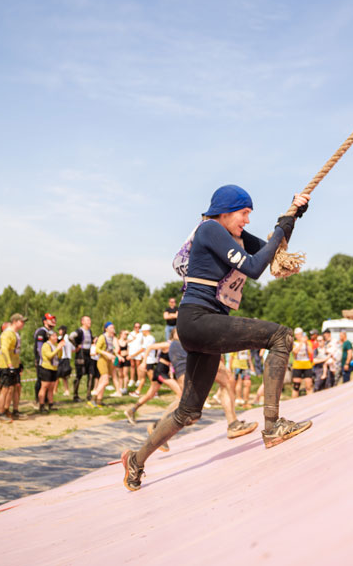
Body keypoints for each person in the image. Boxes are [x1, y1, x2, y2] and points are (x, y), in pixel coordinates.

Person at [121, 185, 312, 491]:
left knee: (188, 411)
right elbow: (254, 268)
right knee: (281, 336)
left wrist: (292, 216)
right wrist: (281, 226)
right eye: (244, 213)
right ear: (224, 212)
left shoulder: (234, 236)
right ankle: (273, 425)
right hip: (199, 320)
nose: (247, 220)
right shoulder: (210, 229)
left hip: (201, 325)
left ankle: (136, 459)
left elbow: (270, 249)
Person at [0, 314, 26, 423]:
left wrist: (19, 363)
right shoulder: (7, 333)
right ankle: (1, 413)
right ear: (15, 321)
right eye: (21, 321)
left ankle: (12, 411)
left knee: (13, 388)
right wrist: (9, 364)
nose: (23, 324)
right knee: (5, 389)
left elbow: (15, 350)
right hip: (6, 365)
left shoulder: (15, 333)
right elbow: (4, 349)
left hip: (15, 364)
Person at [89, 322, 119, 406]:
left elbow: (112, 350)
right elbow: (97, 349)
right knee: (105, 380)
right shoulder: (102, 337)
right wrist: (107, 354)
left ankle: (99, 400)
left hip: (108, 361)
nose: (113, 329)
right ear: (106, 329)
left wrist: (115, 356)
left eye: (113, 327)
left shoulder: (112, 338)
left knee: (102, 381)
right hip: (102, 360)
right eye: (111, 327)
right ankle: (93, 398)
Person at [33, 313, 57, 405]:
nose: (53, 321)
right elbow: (39, 348)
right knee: (41, 381)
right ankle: (38, 400)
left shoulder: (51, 332)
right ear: (45, 321)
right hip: (42, 361)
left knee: (49, 382)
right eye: (51, 319)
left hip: (50, 361)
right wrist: (42, 359)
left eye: (54, 319)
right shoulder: (41, 332)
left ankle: (47, 400)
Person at [38, 329, 64, 413]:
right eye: (54, 336)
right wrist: (58, 348)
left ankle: (51, 404)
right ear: (49, 337)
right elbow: (49, 356)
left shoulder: (55, 345)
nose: (56, 337)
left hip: (54, 368)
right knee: (44, 386)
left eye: (56, 336)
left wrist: (60, 349)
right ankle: (41, 405)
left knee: (51, 387)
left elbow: (59, 356)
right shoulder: (46, 345)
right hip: (46, 368)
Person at [69, 316, 94, 402]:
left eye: (90, 320)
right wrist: (76, 345)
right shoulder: (79, 331)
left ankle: (89, 394)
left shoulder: (89, 331)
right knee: (79, 375)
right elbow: (70, 337)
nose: (89, 322)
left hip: (89, 354)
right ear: (82, 322)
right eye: (88, 320)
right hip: (81, 355)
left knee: (91, 374)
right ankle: (75, 395)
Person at [290, 328, 314, 398]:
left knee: (309, 386)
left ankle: (310, 400)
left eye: (301, 334)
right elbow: (295, 352)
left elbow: (311, 352)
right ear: (295, 335)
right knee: (296, 386)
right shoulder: (294, 343)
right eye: (298, 334)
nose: (300, 336)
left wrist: (306, 343)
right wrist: (301, 343)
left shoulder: (308, 342)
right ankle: (294, 401)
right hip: (297, 365)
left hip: (307, 365)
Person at [55, 325, 72, 396]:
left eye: (60, 330)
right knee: (59, 376)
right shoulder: (66, 338)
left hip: (63, 358)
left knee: (62, 375)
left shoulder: (65, 338)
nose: (59, 331)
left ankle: (63, 390)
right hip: (64, 358)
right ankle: (56, 390)